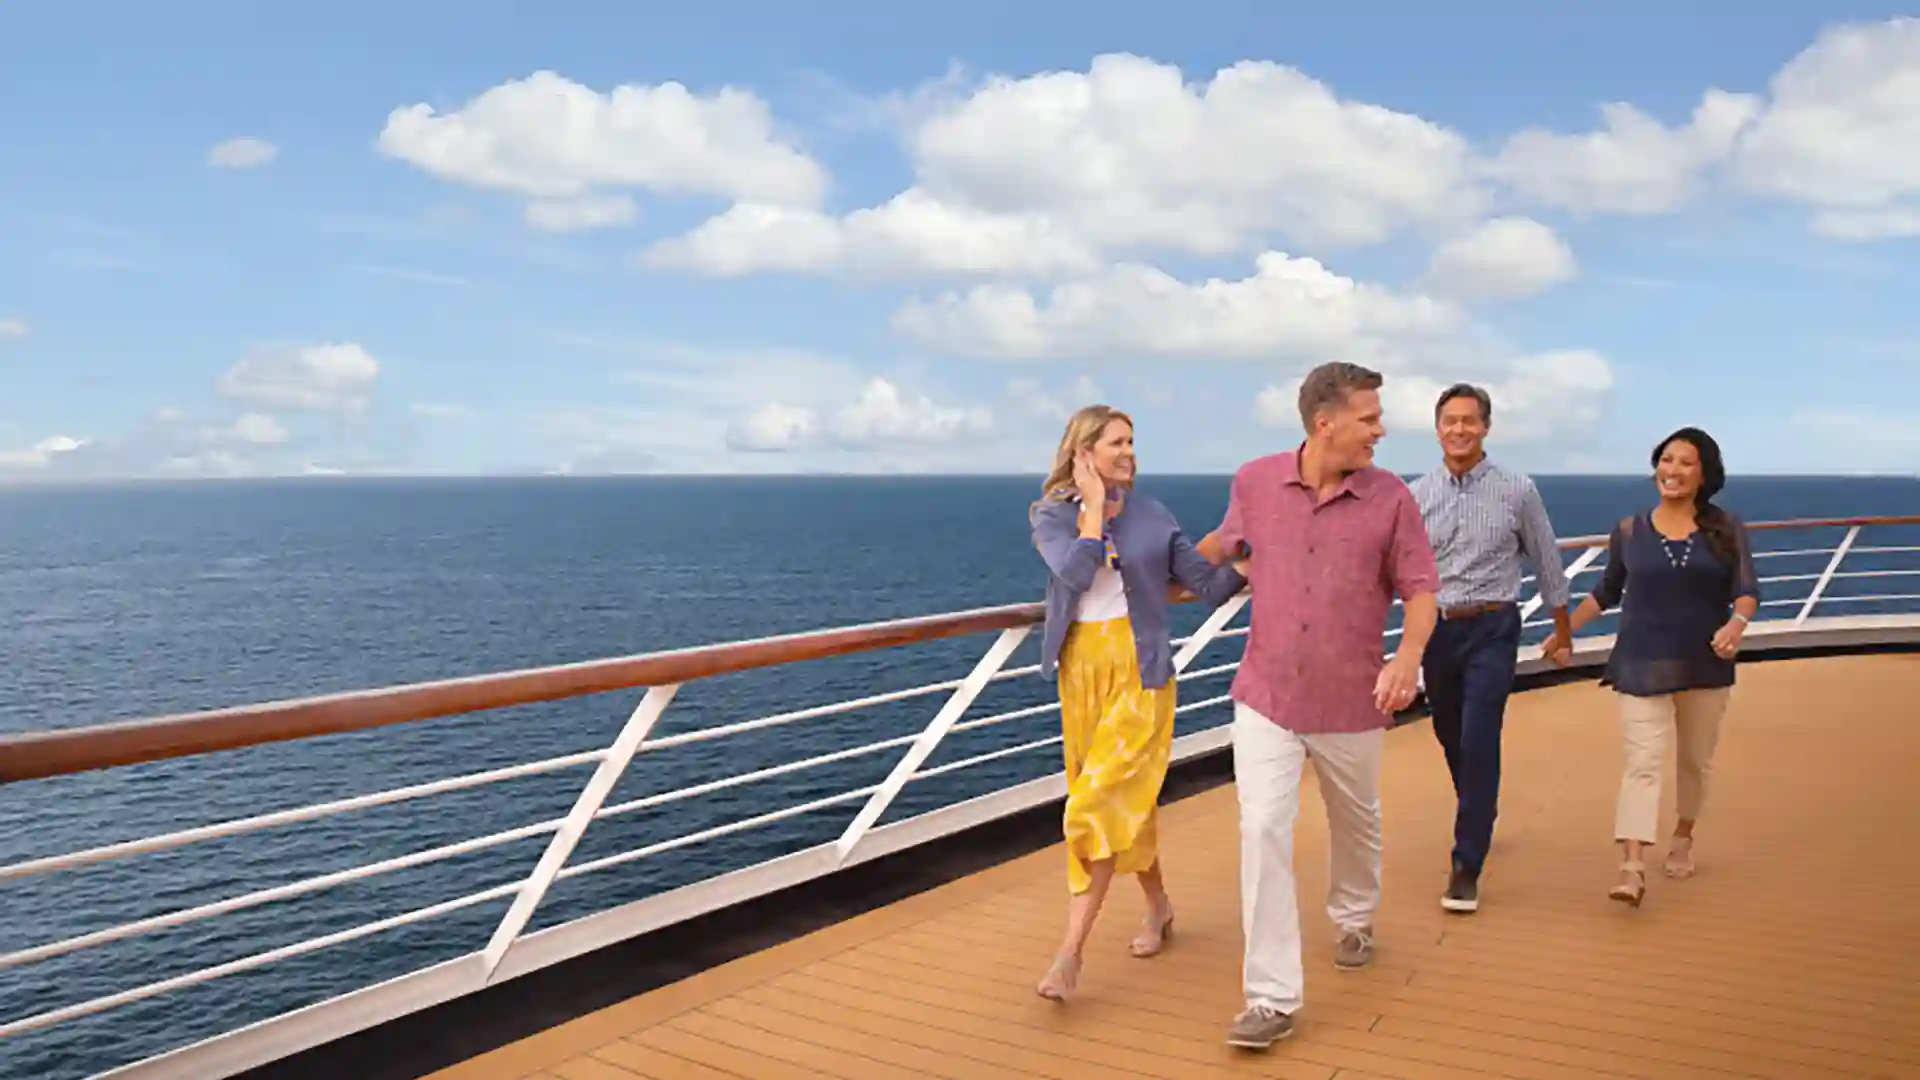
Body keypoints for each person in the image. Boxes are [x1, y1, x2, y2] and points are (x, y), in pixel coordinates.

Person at [1196, 362, 1440, 1050]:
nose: (1381, 430)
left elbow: (1421, 588)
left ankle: (1355, 916)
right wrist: (1133, 573)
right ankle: (1271, 998)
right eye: (1369, 418)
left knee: (1355, 817)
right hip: (1267, 692)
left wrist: (1406, 658)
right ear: (1324, 422)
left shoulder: (1391, 497)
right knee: (1263, 828)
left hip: (1352, 695)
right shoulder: (1255, 480)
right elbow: (1221, 548)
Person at [1027, 404, 1249, 1002]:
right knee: (1127, 802)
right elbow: (1074, 574)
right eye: (1115, 442)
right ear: (1083, 452)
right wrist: (1094, 512)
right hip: (1081, 672)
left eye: (1131, 441)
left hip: (1142, 671)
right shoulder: (1050, 515)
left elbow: (1204, 583)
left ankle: (1070, 954)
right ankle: (1159, 906)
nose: (1128, 451)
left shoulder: (1154, 514)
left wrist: (1251, 558)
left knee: (1096, 804)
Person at [1541, 427, 1759, 907]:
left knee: (1694, 762)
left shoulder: (1726, 529)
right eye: (1666, 460)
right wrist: (1564, 632)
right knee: (1642, 764)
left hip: (1705, 661)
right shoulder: (1629, 530)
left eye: (1685, 463)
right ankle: (1632, 866)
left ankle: (1683, 835)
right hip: (1641, 660)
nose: (1672, 470)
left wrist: (1736, 626)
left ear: (1704, 476)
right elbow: (1606, 591)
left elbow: (1746, 589)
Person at [1408, 384, 1571, 915]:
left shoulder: (1516, 489)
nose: (1459, 430)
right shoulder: (1416, 495)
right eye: (1449, 421)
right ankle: (1479, 806)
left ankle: (1467, 862)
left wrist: (1562, 629)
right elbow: (1399, 569)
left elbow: (1547, 560)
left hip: (1494, 627)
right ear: (1437, 429)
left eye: (1469, 421)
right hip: (1437, 630)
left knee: (1480, 735)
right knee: (1449, 734)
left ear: (1486, 427)